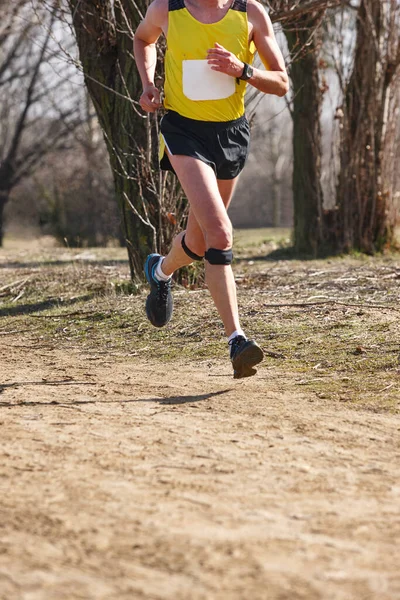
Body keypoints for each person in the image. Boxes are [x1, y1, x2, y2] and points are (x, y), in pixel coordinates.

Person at [134, 0, 288, 378]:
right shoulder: (167, 9)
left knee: (201, 242)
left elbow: (282, 83)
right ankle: (236, 339)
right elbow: (142, 39)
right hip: (183, 131)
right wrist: (149, 84)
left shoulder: (250, 12)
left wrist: (243, 70)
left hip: (231, 134)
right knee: (220, 232)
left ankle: (161, 271)